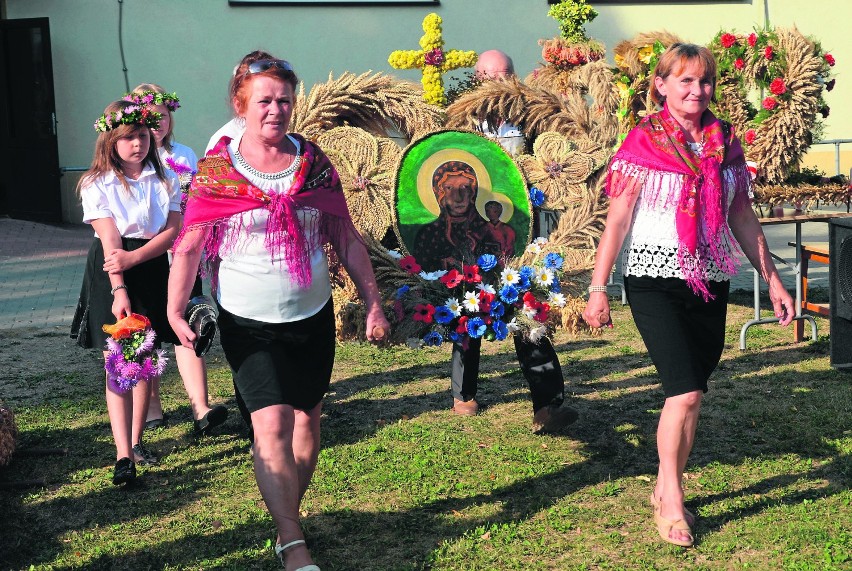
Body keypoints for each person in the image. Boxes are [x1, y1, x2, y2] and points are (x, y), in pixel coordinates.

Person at [167, 51, 390, 571]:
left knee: (308, 428)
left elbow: (344, 236)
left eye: (284, 100)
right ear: (241, 104)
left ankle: (286, 515)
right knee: (271, 429)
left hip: (311, 314)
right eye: (264, 100)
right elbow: (191, 243)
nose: (276, 109)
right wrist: (176, 310)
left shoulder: (314, 164)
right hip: (247, 320)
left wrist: (373, 301)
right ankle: (293, 542)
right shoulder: (220, 170)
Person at [583, 43, 795, 547]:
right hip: (653, 280)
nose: (697, 91)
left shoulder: (724, 141)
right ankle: (673, 497)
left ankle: (664, 481)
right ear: (661, 85)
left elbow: (741, 215)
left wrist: (771, 278)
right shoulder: (643, 141)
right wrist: (597, 287)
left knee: (694, 396)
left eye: (704, 82)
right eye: (685, 81)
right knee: (684, 391)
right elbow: (618, 220)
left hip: (710, 277)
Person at [442, 49, 578, 435]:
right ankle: (463, 394)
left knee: (529, 307)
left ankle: (547, 405)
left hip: (520, 231)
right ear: (476, 79)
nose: (498, 84)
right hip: (471, 232)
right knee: (468, 305)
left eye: (506, 75)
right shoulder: (461, 122)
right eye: (489, 76)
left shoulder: (528, 119)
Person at [70, 99, 182, 485]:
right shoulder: (96, 183)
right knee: (119, 362)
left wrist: (137, 262)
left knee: (146, 359)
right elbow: (109, 239)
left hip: (149, 266)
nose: (138, 143)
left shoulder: (165, 178)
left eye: (143, 136)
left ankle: (136, 442)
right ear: (111, 141)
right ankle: (122, 455)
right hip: (111, 267)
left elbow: (171, 230)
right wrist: (120, 288)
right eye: (129, 137)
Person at [127, 84, 228, 436]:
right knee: (149, 328)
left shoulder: (183, 154)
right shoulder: (131, 160)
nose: (158, 124)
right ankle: (151, 404)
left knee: (186, 324)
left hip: (183, 248)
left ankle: (200, 406)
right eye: (150, 118)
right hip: (148, 254)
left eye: (164, 116)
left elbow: (197, 197)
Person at [412, 160, 492, 270]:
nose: (458, 197)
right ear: (439, 193)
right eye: (449, 188)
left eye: (464, 187)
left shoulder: (487, 230)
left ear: (473, 191)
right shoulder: (429, 234)